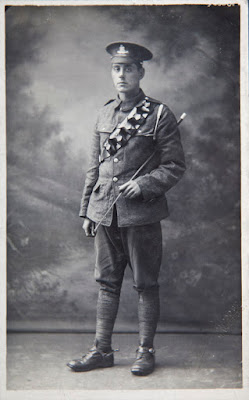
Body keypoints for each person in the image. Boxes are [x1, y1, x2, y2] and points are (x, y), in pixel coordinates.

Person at [67, 42, 186, 376]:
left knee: (145, 284)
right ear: (112, 72)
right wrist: (87, 210)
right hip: (105, 211)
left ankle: (145, 351)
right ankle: (102, 350)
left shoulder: (159, 114)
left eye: (128, 68)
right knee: (106, 282)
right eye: (116, 69)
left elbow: (175, 165)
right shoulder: (104, 113)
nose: (121, 75)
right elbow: (94, 168)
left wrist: (145, 184)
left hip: (142, 213)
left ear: (140, 72)